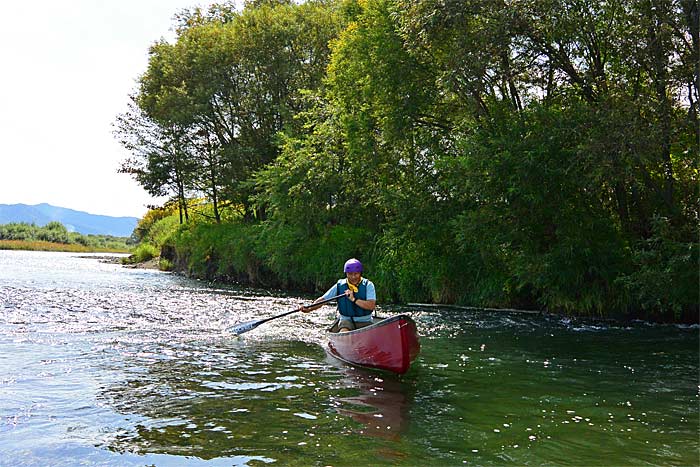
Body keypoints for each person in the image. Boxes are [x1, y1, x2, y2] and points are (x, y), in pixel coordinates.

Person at [300, 258, 376, 332]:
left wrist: (354, 299)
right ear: (346, 274)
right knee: (344, 331)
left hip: (365, 321)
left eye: (356, 274)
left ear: (360, 273)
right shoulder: (340, 285)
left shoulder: (368, 285)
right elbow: (323, 300)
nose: (353, 277)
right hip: (346, 321)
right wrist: (309, 308)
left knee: (369, 333)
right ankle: (344, 340)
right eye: (350, 274)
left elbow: (371, 305)